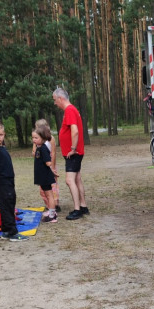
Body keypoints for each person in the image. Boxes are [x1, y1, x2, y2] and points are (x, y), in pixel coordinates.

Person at [52, 88, 89, 220]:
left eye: (55, 100)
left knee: (69, 180)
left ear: (60, 98)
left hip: (73, 153)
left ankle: (77, 209)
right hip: (74, 153)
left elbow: (75, 130)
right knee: (77, 179)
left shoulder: (69, 110)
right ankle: (83, 206)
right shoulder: (71, 110)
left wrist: (73, 148)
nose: (55, 103)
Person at [0, 122, 27, 241]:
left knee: (8, 204)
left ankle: (5, 230)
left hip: (8, 180)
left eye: (1, 134)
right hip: (3, 182)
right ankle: (12, 232)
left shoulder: (1, 147)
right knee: (7, 206)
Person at [31, 126, 58, 224]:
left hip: (45, 176)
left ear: (43, 138)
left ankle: (52, 215)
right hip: (42, 176)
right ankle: (51, 211)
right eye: (33, 138)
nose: (34, 140)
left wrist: (52, 170)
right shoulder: (39, 147)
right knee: (47, 195)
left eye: (36, 138)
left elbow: (48, 162)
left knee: (49, 195)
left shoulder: (43, 148)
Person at [35, 119, 60, 212]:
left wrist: (52, 167)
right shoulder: (38, 142)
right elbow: (35, 154)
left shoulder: (51, 139)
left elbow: (53, 153)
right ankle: (49, 205)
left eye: (37, 128)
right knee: (44, 188)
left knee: (52, 187)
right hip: (41, 167)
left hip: (49, 166)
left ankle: (55, 205)